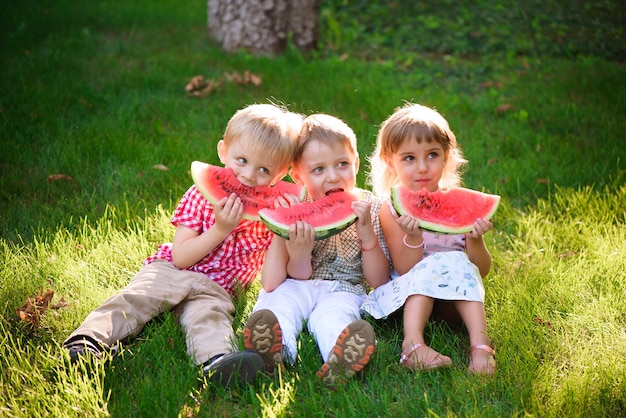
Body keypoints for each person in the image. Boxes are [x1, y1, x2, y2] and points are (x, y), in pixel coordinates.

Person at [63, 103, 304, 386]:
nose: (249, 176)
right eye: (241, 160)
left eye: (264, 169)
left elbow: (270, 280)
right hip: (171, 271)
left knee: (210, 319)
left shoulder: (269, 213)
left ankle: (216, 364)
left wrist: (280, 226)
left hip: (218, 289)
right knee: (138, 297)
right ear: (223, 151)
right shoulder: (200, 195)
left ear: (280, 176)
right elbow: (181, 257)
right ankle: (87, 341)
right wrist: (221, 228)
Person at [242, 113, 390, 384]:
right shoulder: (292, 206)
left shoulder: (372, 208)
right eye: (319, 169)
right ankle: (272, 351)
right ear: (298, 176)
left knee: (335, 316)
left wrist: (368, 237)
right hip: (295, 284)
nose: (333, 177)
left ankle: (341, 356)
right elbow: (271, 282)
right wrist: (294, 249)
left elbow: (378, 281)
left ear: (356, 162)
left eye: (342, 164)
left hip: (345, 289)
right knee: (278, 304)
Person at [361, 103, 496, 375]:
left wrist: (475, 240)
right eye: (409, 158)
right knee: (436, 264)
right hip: (406, 299)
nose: (422, 167)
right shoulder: (391, 209)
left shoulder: (457, 204)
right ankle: (412, 346)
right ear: (391, 161)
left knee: (457, 260)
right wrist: (413, 236)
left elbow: (480, 271)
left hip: (451, 304)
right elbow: (404, 268)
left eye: (432, 155)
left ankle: (481, 347)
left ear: (446, 157)